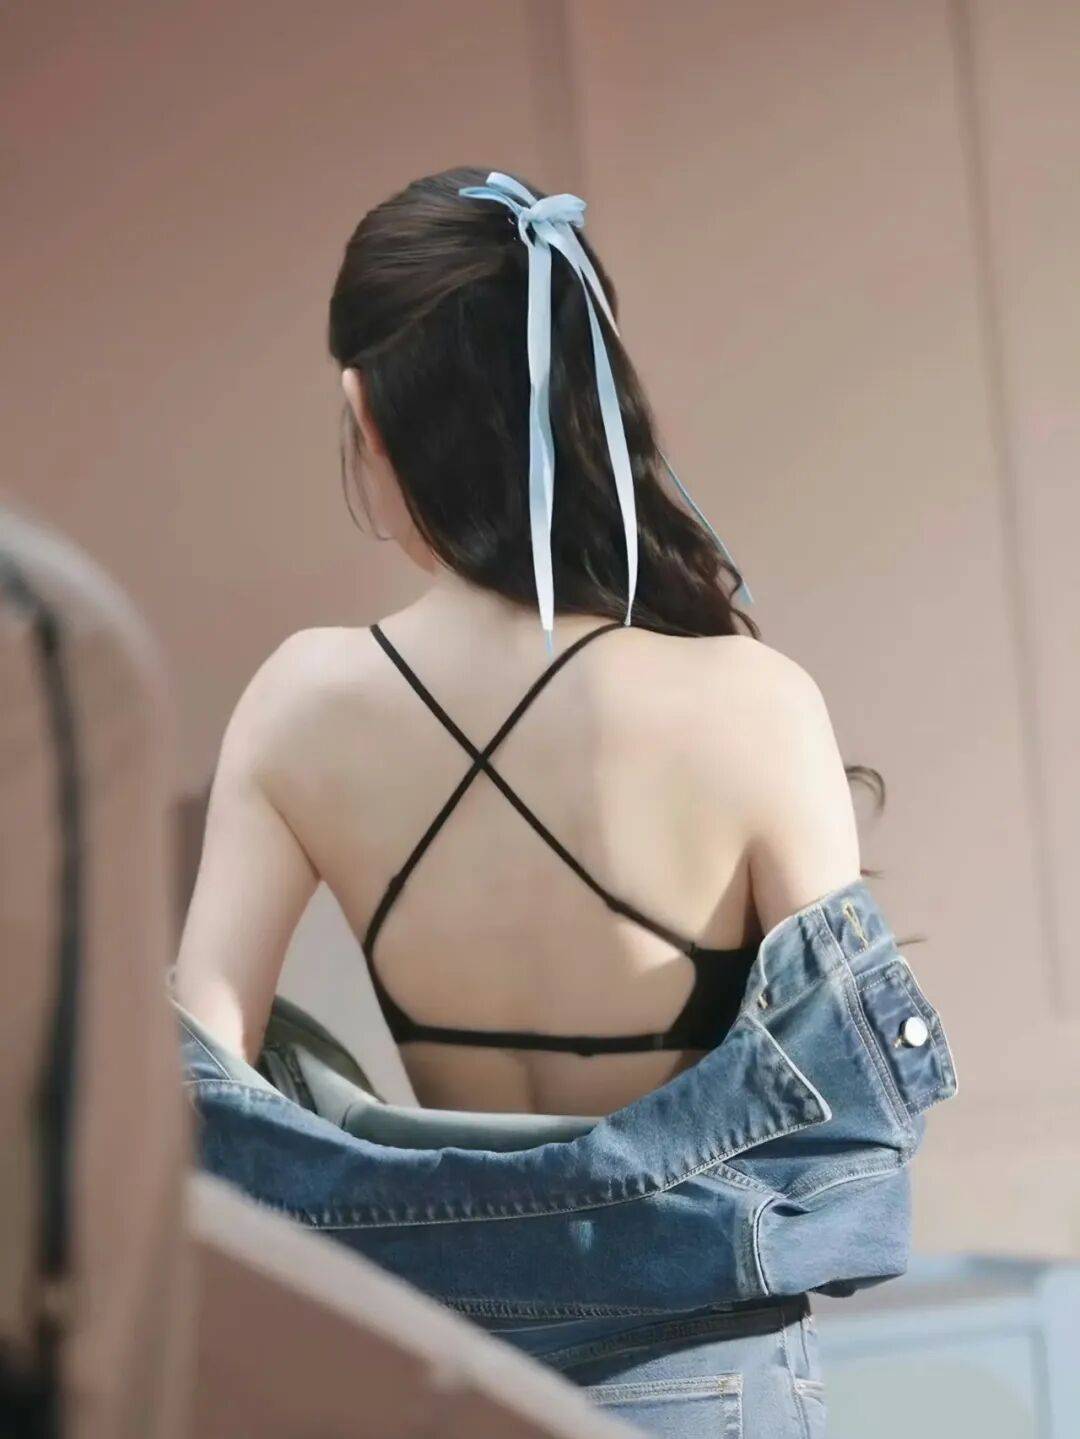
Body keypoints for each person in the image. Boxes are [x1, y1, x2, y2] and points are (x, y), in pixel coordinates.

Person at [174, 167, 956, 1437]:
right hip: (707, 1378)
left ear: (363, 406)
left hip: (434, 1378)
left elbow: (195, 1083)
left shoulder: (299, 700)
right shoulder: (755, 702)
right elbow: (853, 1110)